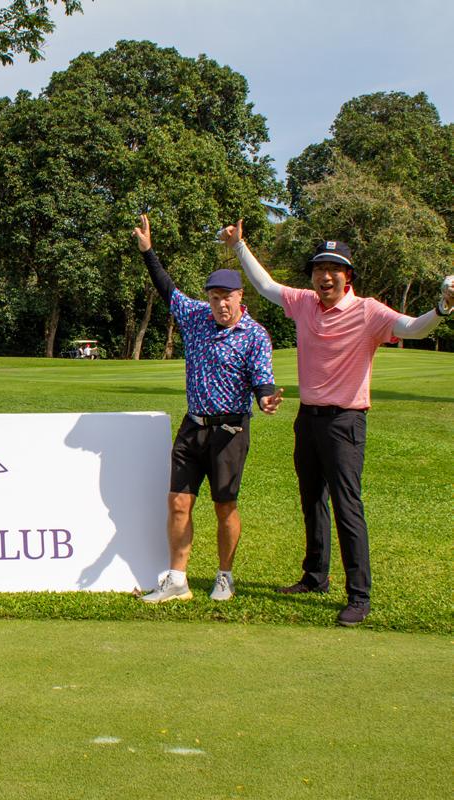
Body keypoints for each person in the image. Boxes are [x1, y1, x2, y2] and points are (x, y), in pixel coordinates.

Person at [221, 221, 454, 626]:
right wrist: (239, 245)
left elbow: (412, 328)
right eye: (318, 269)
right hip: (308, 419)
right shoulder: (304, 302)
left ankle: (359, 595)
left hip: (345, 422)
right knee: (312, 500)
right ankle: (315, 577)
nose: (324, 276)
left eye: (333, 269)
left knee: (347, 506)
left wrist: (443, 308)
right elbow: (265, 286)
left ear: (348, 276)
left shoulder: (369, 311)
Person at [132, 214, 283, 603]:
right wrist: (148, 251)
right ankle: (177, 580)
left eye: (226, 297)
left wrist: (266, 399)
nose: (220, 304)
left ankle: (224, 576)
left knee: (224, 505)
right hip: (193, 426)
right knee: (178, 502)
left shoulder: (255, 335)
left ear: (240, 298)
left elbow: (263, 381)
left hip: (230, 430)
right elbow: (167, 289)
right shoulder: (197, 316)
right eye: (214, 297)